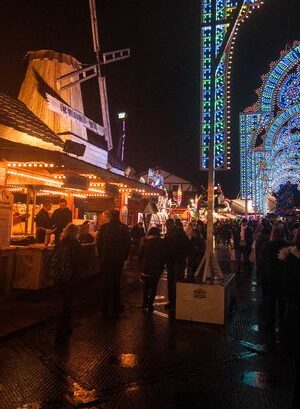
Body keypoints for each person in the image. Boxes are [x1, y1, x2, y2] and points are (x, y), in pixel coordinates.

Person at [96, 209, 131, 318]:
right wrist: (125, 256)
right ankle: (116, 306)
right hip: (118, 259)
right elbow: (127, 244)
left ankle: (104, 307)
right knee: (116, 282)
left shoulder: (103, 227)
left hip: (106, 258)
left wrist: (102, 255)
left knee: (105, 283)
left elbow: (99, 243)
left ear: (110, 216)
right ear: (118, 216)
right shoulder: (124, 228)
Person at [50, 223, 82, 341]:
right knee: (67, 303)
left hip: (58, 277)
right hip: (70, 277)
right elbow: (79, 262)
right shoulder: (76, 245)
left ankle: (60, 326)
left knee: (60, 301)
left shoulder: (59, 243)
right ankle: (65, 326)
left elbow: (52, 258)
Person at [261, 227, 288, 330]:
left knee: (271, 300)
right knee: (282, 301)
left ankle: (271, 321)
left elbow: (263, 261)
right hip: (282, 276)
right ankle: (282, 320)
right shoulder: (287, 245)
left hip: (270, 276)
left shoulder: (268, 245)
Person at [138, 227, 165, 312]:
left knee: (146, 287)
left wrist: (140, 267)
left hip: (146, 269)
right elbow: (163, 256)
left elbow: (140, 255)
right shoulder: (161, 243)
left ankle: (144, 303)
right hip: (156, 269)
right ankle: (150, 304)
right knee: (154, 288)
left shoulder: (145, 242)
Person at [165, 218, 189, 311]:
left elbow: (166, 248)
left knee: (174, 282)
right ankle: (173, 302)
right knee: (174, 282)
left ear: (171, 225)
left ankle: (174, 302)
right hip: (175, 261)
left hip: (176, 261)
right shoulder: (179, 234)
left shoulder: (173, 234)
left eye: (167, 225)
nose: (166, 227)